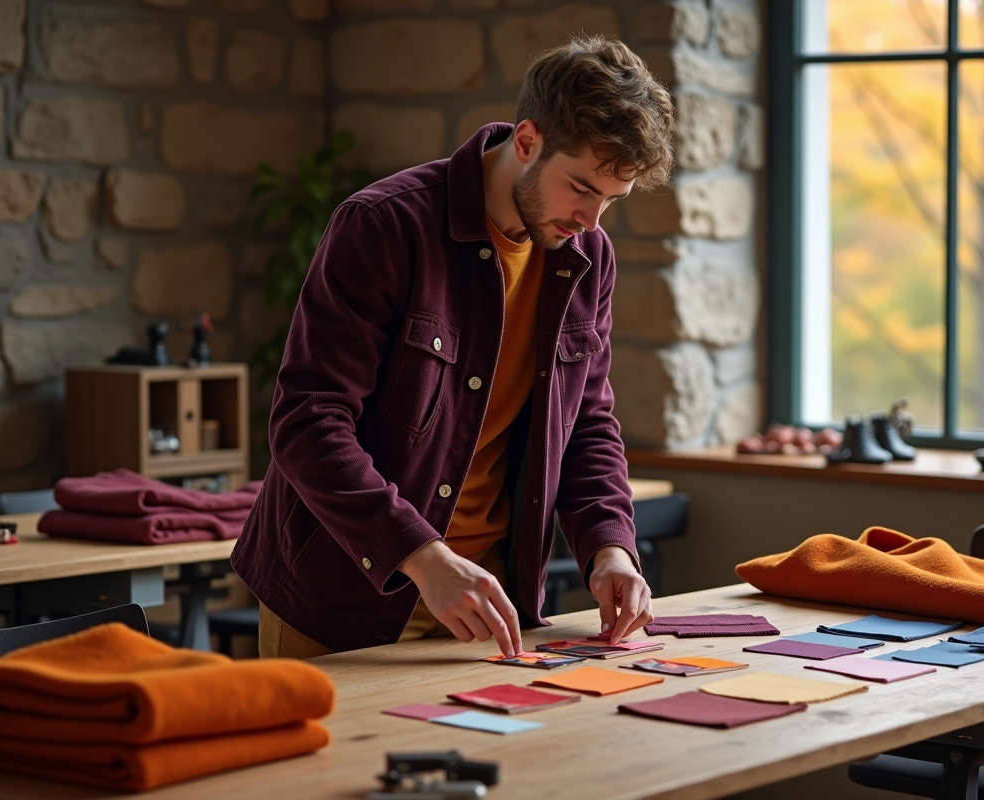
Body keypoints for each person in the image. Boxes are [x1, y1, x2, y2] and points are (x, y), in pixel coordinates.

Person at [231, 34, 676, 659]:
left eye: (611, 200)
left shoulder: (586, 258)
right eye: (580, 188)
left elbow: (586, 424)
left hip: (491, 606)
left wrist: (610, 548)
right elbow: (309, 422)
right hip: (344, 600)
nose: (591, 222)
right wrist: (424, 558)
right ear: (526, 142)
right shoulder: (384, 226)